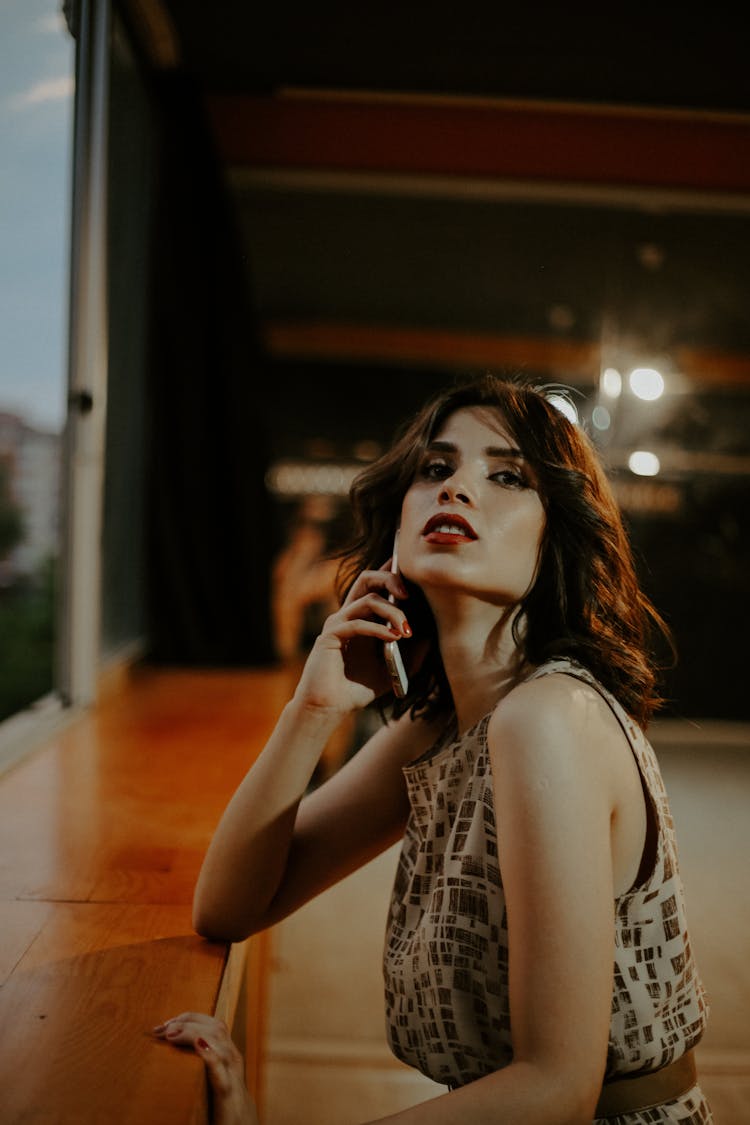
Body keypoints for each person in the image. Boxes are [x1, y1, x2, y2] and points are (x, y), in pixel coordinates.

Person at [154, 374, 713, 1123]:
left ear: (556, 540)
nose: (457, 489)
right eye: (436, 468)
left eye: (507, 475)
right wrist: (313, 707)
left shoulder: (546, 717)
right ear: (398, 522)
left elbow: (557, 1086)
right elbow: (226, 907)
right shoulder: (442, 726)